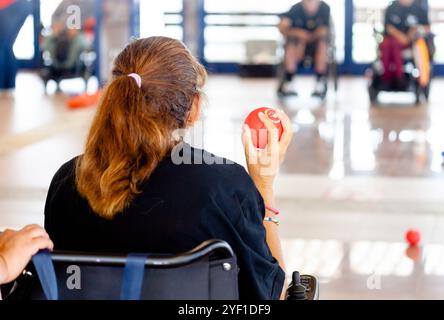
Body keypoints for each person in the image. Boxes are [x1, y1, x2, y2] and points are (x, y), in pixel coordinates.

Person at [44, 37, 294, 300]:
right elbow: (270, 296)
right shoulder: (225, 188)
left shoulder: (68, 181)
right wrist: (264, 187)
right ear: (193, 108)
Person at [278, 0, 331, 98]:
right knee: (291, 45)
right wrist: (300, 35)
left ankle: (319, 83)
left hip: (316, 43)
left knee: (322, 44)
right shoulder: (295, 8)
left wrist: (310, 36)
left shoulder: (324, 8)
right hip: (298, 44)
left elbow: (325, 29)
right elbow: (284, 28)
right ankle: (289, 81)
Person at [381, 0, 430, 88]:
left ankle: (399, 77)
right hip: (393, 39)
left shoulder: (419, 8)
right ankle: (386, 77)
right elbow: (388, 27)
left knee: (396, 45)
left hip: (411, 42)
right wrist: (401, 37)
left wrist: (414, 31)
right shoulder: (392, 7)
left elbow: (426, 27)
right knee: (387, 44)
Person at [0, 0, 32, 92]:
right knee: (6, 45)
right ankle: (8, 88)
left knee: (2, 45)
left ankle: (3, 87)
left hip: (7, 4)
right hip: (22, 5)